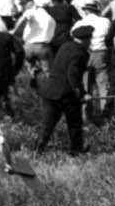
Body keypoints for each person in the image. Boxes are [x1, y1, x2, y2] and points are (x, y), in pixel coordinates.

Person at [36, 23, 92, 155]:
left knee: (47, 124)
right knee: (74, 123)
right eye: (90, 39)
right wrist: (82, 94)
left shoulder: (65, 46)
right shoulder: (81, 53)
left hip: (50, 90)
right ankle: (76, 150)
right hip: (67, 93)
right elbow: (73, 75)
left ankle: (38, 150)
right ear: (86, 39)